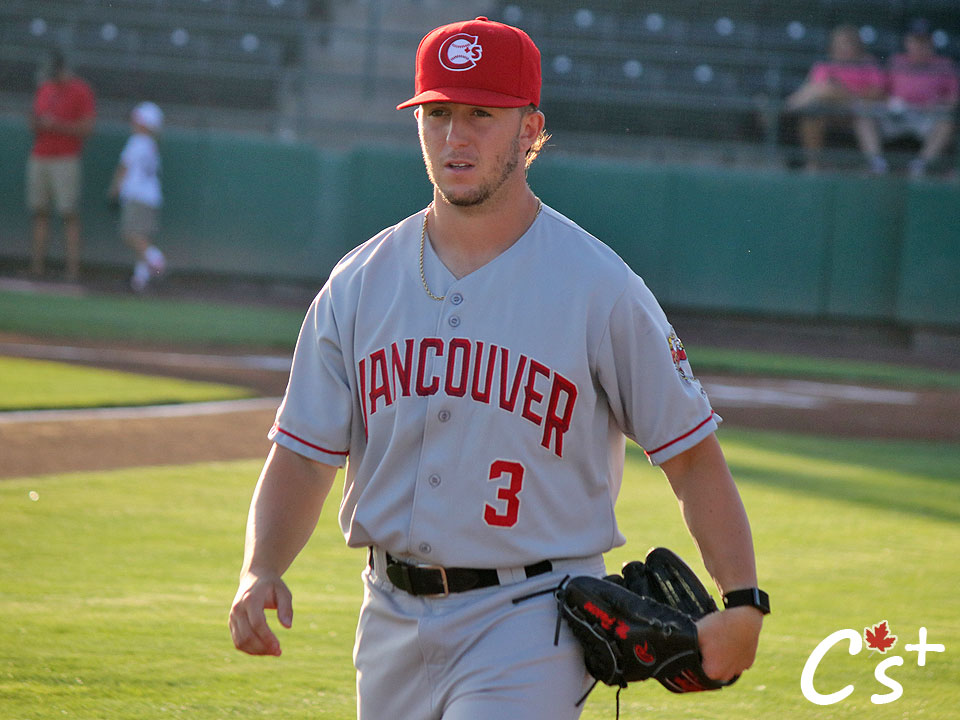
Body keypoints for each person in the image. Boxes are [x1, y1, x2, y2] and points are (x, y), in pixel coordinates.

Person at [229, 16, 766, 719]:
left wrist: (743, 600)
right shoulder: (360, 282)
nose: (455, 137)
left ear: (532, 130)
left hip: (531, 620)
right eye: (438, 114)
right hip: (386, 619)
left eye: (482, 115)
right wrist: (260, 567)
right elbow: (303, 456)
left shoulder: (596, 286)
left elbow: (690, 455)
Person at [26, 50, 96, 281]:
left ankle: (72, 271)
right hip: (41, 155)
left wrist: (57, 124)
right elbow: (33, 121)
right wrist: (39, 122)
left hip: (66, 157)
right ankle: (37, 268)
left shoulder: (80, 90)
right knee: (39, 212)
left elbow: (87, 128)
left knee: (69, 214)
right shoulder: (45, 88)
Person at [785, 24, 887, 173]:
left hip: (858, 109)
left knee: (829, 90)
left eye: (847, 43)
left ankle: (786, 107)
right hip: (831, 111)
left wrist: (847, 92)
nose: (843, 47)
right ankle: (814, 164)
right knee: (815, 107)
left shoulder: (868, 63)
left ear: (856, 45)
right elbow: (816, 89)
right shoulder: (825, 64)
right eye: (839, 43)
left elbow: (878, 92)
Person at [878, 18, 959, 178]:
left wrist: (937, 104)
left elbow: (954, 98)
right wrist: (891, 102)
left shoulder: (944, 65)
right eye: (915, 41)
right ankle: (875, 163)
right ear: (907, 42)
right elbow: (878, 92)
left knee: (947, 122)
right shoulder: (895, 62)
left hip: (927, 116)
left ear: (931, 43)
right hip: (897, 115)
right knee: (866, 114)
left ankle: (920, 165)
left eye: (924, 41)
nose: (920, 46)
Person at [107, 102, 167, 292]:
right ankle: (139, 281)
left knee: (131, 235)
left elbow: (124, 168)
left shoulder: (138, 141)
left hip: (138, 196)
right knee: (142, 237)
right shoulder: (150, 145)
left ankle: (157, 261)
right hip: (150, 196)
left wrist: (114, 190)